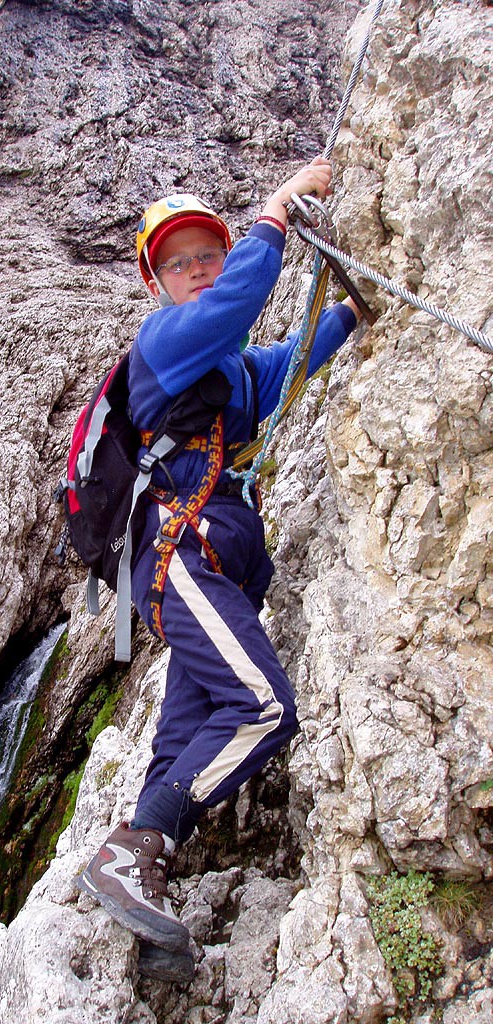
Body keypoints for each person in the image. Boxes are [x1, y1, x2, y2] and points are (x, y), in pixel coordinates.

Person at [77, 158, 362, 958]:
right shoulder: (164, 343)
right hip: (181, 558)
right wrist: (273, 217)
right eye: (180, 262)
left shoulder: (232, 372)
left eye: (209, 253)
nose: (198, 270)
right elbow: (236, 306)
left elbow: (291, 359)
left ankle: (145, 911)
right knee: (264, 706)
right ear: (156, 282)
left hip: (207, 573)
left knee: (187, 729)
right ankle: (132, 853)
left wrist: (350, 308)